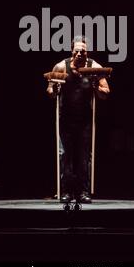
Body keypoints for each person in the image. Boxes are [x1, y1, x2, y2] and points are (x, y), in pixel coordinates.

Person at [46, 35, 110, 203]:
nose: (81, 54)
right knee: (65, 154)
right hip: (65, 118)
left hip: (85, 120)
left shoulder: (94, 67)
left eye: (84, 51)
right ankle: (66, 191)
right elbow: (50, 91)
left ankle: (83, 191)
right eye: (77, 51)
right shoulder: (61, 66)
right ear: (72, 51)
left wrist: (96, 87)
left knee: (83, 156)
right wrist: (55, 89)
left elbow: (105, 93)